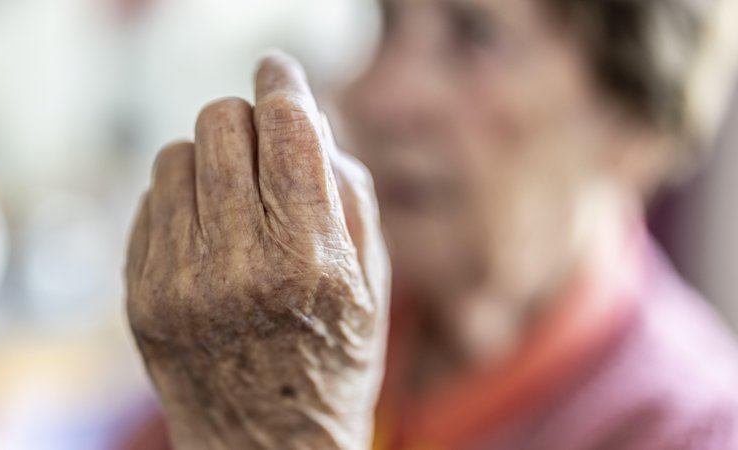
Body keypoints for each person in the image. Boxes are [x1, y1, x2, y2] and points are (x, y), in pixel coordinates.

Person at [123, 0, 738, 448]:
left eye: (473, 34)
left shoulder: (690, 430)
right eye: (388, 20)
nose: (378, 95)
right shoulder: (309, 323)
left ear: (633, 125)